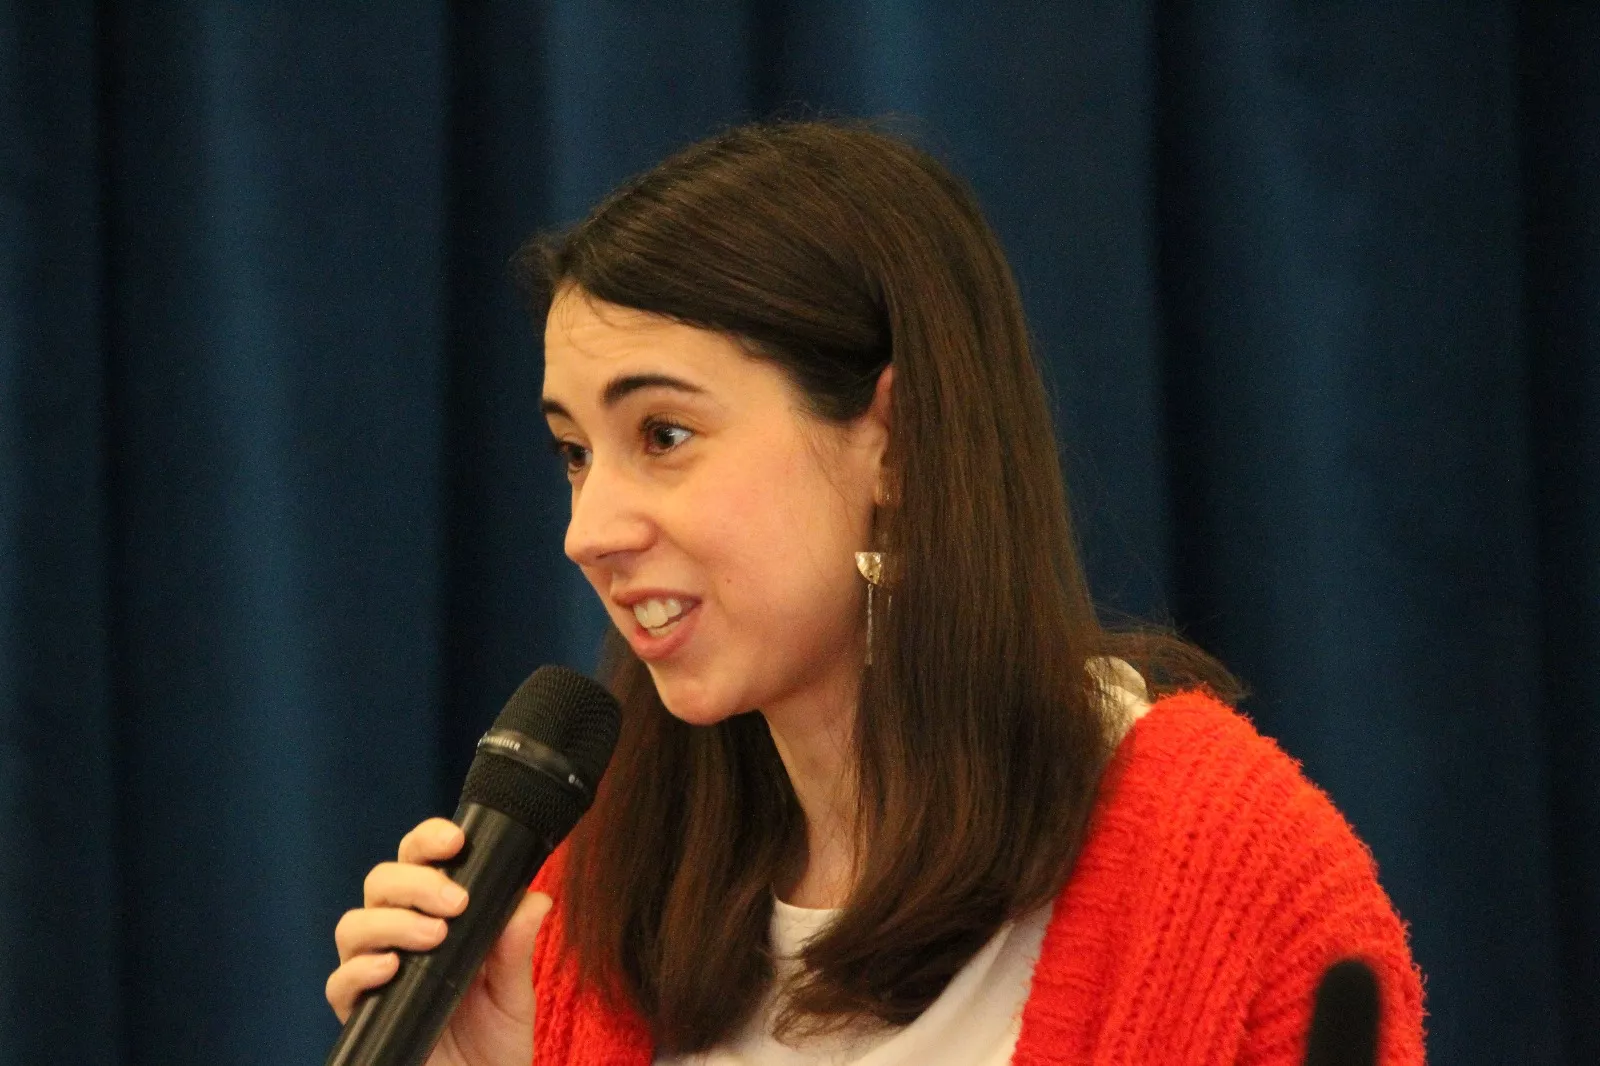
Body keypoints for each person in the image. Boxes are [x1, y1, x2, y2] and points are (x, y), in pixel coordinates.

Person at [326, 120, 1426, 1065]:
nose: (588, 530)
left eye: (663, 434)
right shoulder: (581, 902)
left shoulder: (1223, 865)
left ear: (891, 441)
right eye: (574, 452)